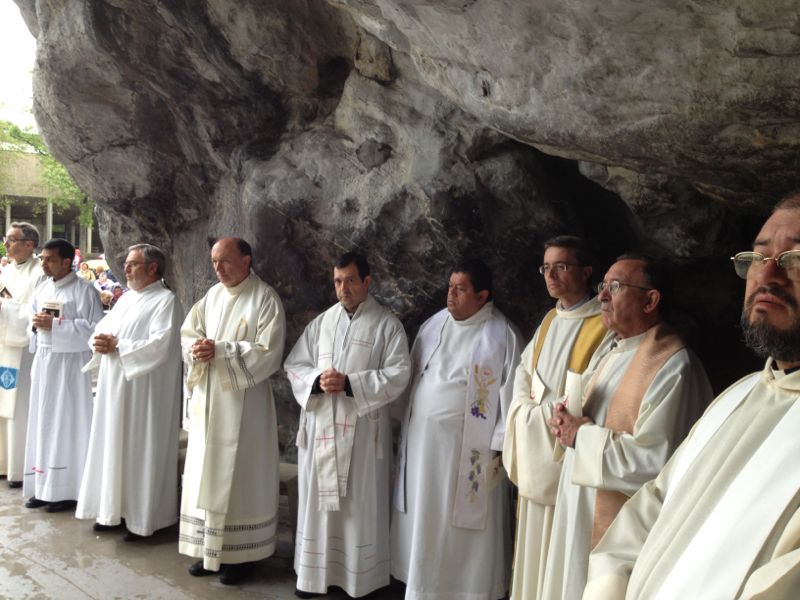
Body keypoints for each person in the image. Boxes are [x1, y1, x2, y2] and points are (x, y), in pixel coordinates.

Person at [583, 196, 800, 599]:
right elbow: (653, 504)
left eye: (795, 257)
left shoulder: (674, 363)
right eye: (758, 255)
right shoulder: (735, 397)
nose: (767, 273)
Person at [540, 254, 712, 600]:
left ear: (650, 300)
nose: (602, 295)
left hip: (617, 532)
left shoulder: (672, 367)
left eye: (614, 287)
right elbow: (582, 420)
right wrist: (564, 417)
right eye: (603, 286)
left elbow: (656, 463)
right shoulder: (613, 352)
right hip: (578, 512)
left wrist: (581, 435)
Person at [391, 258, 523, 600]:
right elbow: (413, 376)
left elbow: (512, 396)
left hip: (467, 455)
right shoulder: (434, 324)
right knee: (425, 517)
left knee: (460, 524)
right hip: (423, 448)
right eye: (450, 286)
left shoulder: (502, 335)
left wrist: (496, 445)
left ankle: (466, 589)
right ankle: (420, 583)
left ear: (482, 296)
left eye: (460, 289)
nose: (450, 295)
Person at [284, 252, 411, 599]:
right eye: (338, 281)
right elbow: (294, 364)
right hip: (322, 426)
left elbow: (399, 373)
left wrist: (352, 383)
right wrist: (316, 380)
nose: (343, 288)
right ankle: (314, 576)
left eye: (350, 281)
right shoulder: (323, 323)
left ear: (367, 282)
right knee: (319, 510)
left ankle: (360, 579)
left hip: (362, 436)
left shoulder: (387, 325)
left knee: (358, 507)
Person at [503, 236, 614, 600]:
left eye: (561, 266)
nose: (550, 275)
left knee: (557, 551)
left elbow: (599, 384)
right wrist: (524, 410)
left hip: (562, 451)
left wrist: (548, 416)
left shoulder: (603, 322)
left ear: (586, 272)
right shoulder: (550, 319)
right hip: (538, 440)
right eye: (546, 268)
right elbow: (523, 369)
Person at [179, 237, 286, 586]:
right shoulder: (211, 297)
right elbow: (189, 333)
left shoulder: (265, 298)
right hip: (211, 401)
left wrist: (222, 350)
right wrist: (197, 349)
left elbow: (269, 352)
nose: (219, 269)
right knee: (206, 472)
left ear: (246, 260)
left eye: (225, 261)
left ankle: (241, 556)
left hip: (245, 406)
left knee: (240, 478)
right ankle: (210, 551)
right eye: (214, 262)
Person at [76, 244, 182, 541]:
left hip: (146, 391)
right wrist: (99, 342)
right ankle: (112, 511)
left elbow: (161, 344)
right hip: (114, 385)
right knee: (112, 445)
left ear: (152, 268)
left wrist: (119, 346)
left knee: (140, 448)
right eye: (127, 264)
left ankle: (143, 518)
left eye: (133, 264)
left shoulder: (166, 301)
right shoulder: (125, 299)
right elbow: (102, 329)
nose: (126, 268)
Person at [23, 238, 104, 512]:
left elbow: (95, 330)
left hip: (70, 366)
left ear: (67, 262)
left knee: (66, 423)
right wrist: (36, 327)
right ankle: (42, 487)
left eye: (49, 259)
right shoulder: (43, 287)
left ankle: (67, 489)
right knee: (42, 423)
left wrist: (56, 325)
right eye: (43, 258)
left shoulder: (85, 291)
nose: (43, 263)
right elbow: (32, 323)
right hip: (45, 362)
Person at [0, 223, 45, 488]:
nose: (6, 244)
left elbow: (36, 312)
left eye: (12, 240)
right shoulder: (6, 270)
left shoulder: (41, 272)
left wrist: (5, 310)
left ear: (30, 244)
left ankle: (18, 469)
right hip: (4, 345)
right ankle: (4, 463)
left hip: (23, 348)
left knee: (18, 406)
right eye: (6, 239)